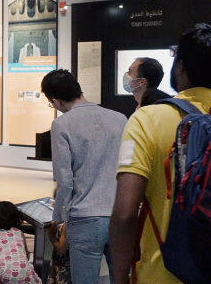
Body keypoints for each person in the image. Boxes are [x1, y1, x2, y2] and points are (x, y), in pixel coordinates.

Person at [110, 23, 211, 284]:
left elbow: (125, 213)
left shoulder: (148, 119)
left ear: (181, 67)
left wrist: (119, 277)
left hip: (163, 271)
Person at [41, 69, 127, 284]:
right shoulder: (119, 119)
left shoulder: (61, 125)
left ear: (55, 101)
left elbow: (64, 179)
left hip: (85, 216)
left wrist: (58, 217)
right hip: (119, 215)